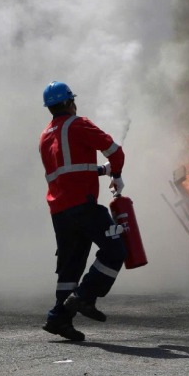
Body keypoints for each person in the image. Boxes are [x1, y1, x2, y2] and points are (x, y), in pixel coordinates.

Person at [39, 81, 127, 342]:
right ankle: (85, 297)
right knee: (116, 249)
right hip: (83, 205)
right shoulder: (78, 124)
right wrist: (117, 174)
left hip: (60, 210)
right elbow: (115, 151)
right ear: (69, 102)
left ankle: (58, 318)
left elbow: (69, 170)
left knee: (71, 266)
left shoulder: (46, 135)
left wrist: (103, 171)